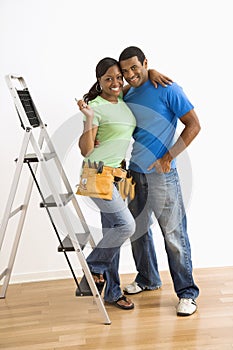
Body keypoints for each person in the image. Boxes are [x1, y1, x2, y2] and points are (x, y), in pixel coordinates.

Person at [77, 57, 170, 310]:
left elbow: (133, 82)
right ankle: (92, 268)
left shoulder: (121, 99)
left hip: (119, 175)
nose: (116, 82)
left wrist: (151, 72)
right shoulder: (94, 107)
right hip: (97, 174)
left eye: (119, 77)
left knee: (113, 236)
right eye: (109, 79)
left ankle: (112, 292)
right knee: (126, 226)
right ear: (99, 81)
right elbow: (86, 149)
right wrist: (87, 118)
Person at [118, 46, 201, 316]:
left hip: (162, 175)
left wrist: (168, 157)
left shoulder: (167, 88)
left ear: (145, 62)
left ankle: (187, 293)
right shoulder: (127, 93)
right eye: (125, 70)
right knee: (138, 231)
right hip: (135, 171)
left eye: (135, 67)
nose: (130, 74)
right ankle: (148, 278)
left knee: (174, 235)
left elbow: (193, 125)